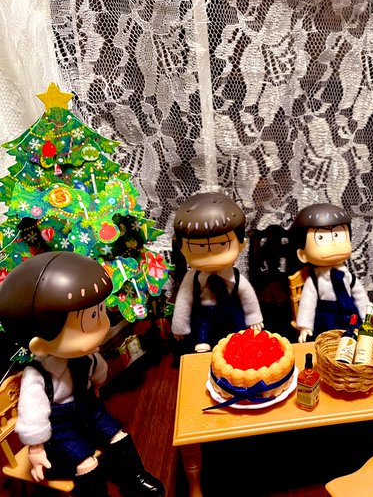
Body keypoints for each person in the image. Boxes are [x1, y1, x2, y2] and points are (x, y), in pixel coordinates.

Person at [0, 252, 164, 497]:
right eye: (90, 319)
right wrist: (36, 448)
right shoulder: (38, 375)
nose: (102, 326)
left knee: (118, 434)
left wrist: (96, 378)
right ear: (40, 343)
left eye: (100, 312)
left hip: (89, 408)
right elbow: (33, 415)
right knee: (85, 462)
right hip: (60, 427)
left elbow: (98, 375)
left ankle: (135, 477)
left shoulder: (85, 356)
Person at [171, 192, 263, 352]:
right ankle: (203, 343)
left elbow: (248, 298)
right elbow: (184, 301)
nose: (210, 256)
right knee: (201, 326)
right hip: (204, 313)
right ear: (182, 249)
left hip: (231, 313)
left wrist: (254, 318)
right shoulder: (192, 278)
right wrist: (180, 326)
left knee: (238, 329)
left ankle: (237, 343)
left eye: (222, 244)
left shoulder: (236, 278)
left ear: (241, 245)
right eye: (199, 247)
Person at [291, 203, 369, 342]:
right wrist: (305, 326)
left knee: (354, 338)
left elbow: (360, 295)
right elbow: (308, 303)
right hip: (327, 317)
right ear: (302, 255)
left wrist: (365, 315)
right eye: (321, 238)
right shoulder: (315, 280)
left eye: (338, 235)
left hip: (350, 314)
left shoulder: (347, 276)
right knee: (327, 339)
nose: (334, 244)